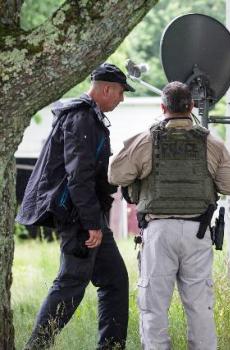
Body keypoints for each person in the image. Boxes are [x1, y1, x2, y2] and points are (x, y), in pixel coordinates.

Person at [109, 81, 230, 349]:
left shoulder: (147, 140)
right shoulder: (211, 142)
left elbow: (116, 175)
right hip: (198, 232)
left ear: (163, 107)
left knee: (154, 307)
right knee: (199, 307)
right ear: (191, 106)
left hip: (158, 233)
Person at [16, 63, 132, 349]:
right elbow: (78, 176)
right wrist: (92, 223)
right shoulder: (81, 118)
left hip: (90, 217)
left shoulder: (90, 118)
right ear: (106, 89)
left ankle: (112, 346)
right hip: (80, 218)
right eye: (120, 93)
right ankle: (37, 346)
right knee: (70, 285)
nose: (121, 99)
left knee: (115, 281)